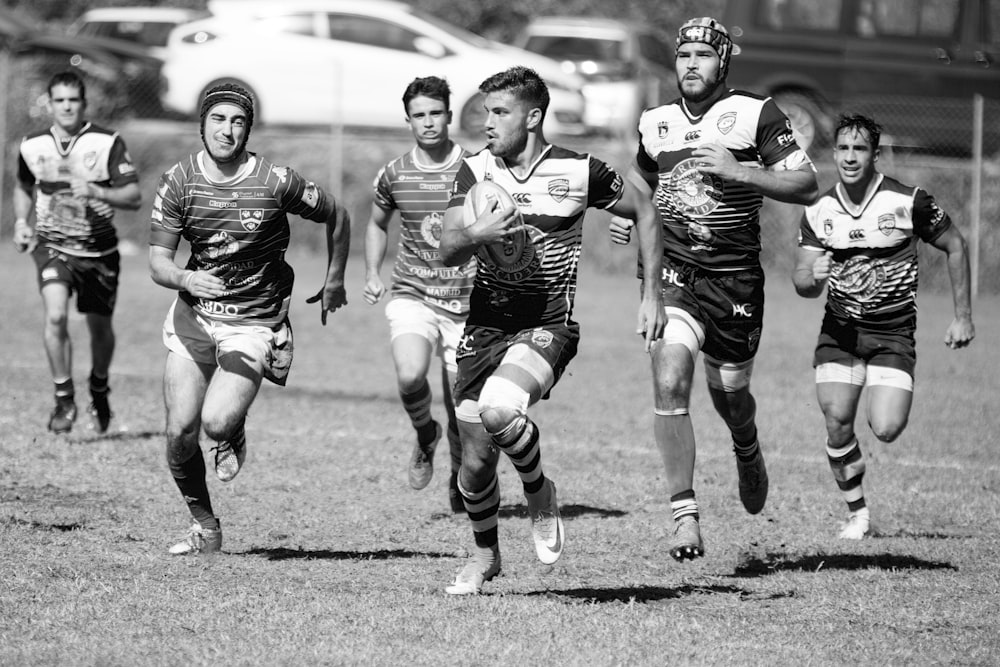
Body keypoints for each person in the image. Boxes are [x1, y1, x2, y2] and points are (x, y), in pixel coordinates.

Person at [440, 66, 665, 594]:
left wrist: (650, 294)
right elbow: (448, 248)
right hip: (485, 325)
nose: (487, 122)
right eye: (486, 111)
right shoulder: (472, 170)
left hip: (548, 324)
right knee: (473, 466)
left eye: (500, 112)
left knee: (501, 408)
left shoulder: (581, 170)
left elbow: (646, 209)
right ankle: (485, 556)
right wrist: (478, 231)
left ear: (533, 116)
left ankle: (539, 492)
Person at [610, 17, 818, 561]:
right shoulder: (655, 121)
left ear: (722, 63)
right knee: (670, 375)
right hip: (676, 275)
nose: (691, 65)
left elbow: (807, 184)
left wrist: (741, 171)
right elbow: (642, 183)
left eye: (703, 55)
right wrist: (628, 215)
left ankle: (746, 447)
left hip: (735, 283)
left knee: (730, 399)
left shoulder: (756, 113)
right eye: (684, 56)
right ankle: (685, 516)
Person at [148, 83, 351, 555]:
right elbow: (159, 263)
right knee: (179, 431)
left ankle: (232, 428)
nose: (228, 130)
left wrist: (335, 278)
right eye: (218, 119)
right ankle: (204, 525)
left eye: (238, 121)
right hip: (195, 316)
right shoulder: (178, 181)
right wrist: (185, 279)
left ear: (249, 128)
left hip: (254, 320)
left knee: (214, 423)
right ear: (202, 124)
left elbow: (337, 213)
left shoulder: (274, 180)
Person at [793, 113, 974, 539]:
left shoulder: (907, 201)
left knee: (887, 428)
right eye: (842, 148)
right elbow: (801, 282)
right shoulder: (818, 210)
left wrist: (963, 315)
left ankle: (855, 457)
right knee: (837, 419)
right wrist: (812, 276)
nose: (850, 157)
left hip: (892, 333)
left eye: (859, 149)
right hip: (839, 332)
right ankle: (858, 513)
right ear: (833, 153)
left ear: (876, 155)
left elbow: (955, 245)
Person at [363, 76, 473, 513]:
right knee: (410, 376)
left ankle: (459, 471)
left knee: (462, 408)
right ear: (408, 120)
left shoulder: (477, 168)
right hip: (414, 292)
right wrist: (372, 271)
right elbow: (376, 222)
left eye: (436, 113)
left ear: (449, 114)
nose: (428, 123)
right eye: (419, 115)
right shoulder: (395, 173)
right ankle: (425, 434)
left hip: (469, 304)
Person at [12, 70, 142, 434]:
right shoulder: (32, 145)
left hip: (99, 253)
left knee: (99, 327)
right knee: (55, 316)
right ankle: (64, 398)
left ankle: (99, 387)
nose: (67, 107)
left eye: (73, 100)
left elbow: (133, 196)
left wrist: (98, 192)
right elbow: (23, 185)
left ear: (83, 104)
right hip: (53, 247)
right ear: (49, 104)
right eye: (60, 100)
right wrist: (22, 223)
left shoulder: (106, 142)